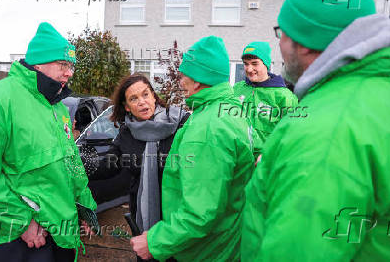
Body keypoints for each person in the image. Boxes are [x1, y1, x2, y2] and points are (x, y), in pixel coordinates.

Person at [242, 0, 390, 260]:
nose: (280, 44)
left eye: (282, 33)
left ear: (305, 41)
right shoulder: (385, 92)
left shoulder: (325, 135)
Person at [0, 22, 97, 262]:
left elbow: (71, 163)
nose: (69, 73)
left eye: (71, 66)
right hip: (19, 238)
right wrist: (22, 222)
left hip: (62, 234)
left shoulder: (56, 107)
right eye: (63, 64)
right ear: (38, 63)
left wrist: (85, 207)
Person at [130, 36, 255, 261]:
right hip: (226, 242)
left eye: (183, 75)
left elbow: (201, 213)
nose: (180, 81)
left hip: (206, 251)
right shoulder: (229, 111)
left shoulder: (208, 128)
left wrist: (155, 241)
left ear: (197, 80)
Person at [91, 74, 188, 260]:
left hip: (176, 216)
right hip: (142, 215)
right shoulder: (127, 133)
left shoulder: (181, 124)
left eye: (145, 94)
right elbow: (108, 166)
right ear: (127, 107)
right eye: (134, 99)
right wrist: (79, 166)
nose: (142, 102)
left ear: (154, 95)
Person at [233, 41, 298, 158]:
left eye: (254, 63)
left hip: (264, 164)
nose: (249, 69)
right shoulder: (237, 89)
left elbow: (291, 135)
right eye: (246, 64)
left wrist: (270, 156)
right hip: (236, 161)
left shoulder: (284, 96)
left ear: (266, 65)